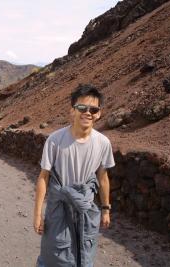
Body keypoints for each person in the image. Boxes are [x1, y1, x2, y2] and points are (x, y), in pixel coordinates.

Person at [33, 84, 115, 267]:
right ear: (72, 110)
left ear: (99, 113)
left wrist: (105, 209)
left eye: (93, 109)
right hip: (58, 207)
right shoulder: (55, 140)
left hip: (85, 207)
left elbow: (102, 177)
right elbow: (43, 177)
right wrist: (38, 214)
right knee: (53, 254)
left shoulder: (103, 143)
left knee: (84, 252)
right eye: (82, 108)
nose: (87, 113)